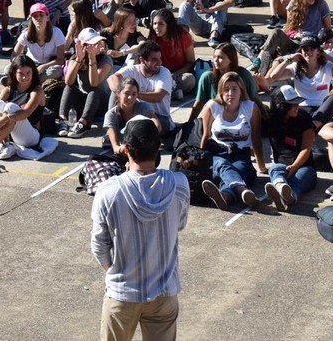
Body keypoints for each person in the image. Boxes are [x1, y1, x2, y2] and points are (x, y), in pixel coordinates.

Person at [90, 116, 188, 341]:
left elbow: (98, 245)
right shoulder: (179, 184)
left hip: (123, 293)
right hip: (164, 292)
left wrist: (112, 270)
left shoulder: (108, 191)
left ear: (125, 149)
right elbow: (180, 224)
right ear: (159, 146)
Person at [198, 73, 266, 210]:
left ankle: (224, 197)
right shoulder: (212, 106)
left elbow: (256, 139)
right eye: (226, 89)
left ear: (241, 90)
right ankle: (242, 190)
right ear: (220, 92)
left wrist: (262, 167)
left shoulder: (250, 107)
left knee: (237, 172)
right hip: (216, 154)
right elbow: (204, 135)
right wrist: (200, 161)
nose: (230, 93)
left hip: (241, 155)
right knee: (222, 165)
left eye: (234, 89)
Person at [0, 54, 59, 161]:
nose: (24, 77)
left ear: (33, 72)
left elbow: (26, 113)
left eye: (28, 73)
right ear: (14, 73)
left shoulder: (37, 90)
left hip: (31, 136)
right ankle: (6, 145)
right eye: (20, 73)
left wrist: (6, 118)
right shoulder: (8, 89)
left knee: (10, 107)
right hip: (11, 134)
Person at [262, 84, 317, 212]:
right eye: (292, 104)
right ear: (281, 106)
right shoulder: (271, 121)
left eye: (297, 103)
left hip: (304, 166)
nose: (296, 107)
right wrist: (261, 165)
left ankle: (289, 196)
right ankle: (280, 186)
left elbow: (306, 149)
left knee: (298, 182)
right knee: (275, 169)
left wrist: (293, 167)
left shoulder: (304, 119)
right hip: (281, 165)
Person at [108, 40, 174, 135]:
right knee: (116, 91)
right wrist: (122, 92)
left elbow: (158, 97)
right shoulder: (133, 70)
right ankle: (112, 126)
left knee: (144, 126)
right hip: (135, 115)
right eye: (154, 59)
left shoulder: (164, 72)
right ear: (142, 60)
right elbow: (112, 78)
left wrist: (134, 94)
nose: (159, 62)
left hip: (160, 117)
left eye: (160, 58)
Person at [14, 2, 67, 80]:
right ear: (31, 19)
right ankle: (32, 80)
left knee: (57, 70)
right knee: (8, 69)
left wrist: (43, 67)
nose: (38, 18)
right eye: (35, 16)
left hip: (49, 65)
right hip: (30, 65)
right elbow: (14, 56)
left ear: (47, 17)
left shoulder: (57, 32)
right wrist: (22, 67)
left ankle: (26, 81)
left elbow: (60, 60)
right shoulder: (26, 33)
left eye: (41, 15)